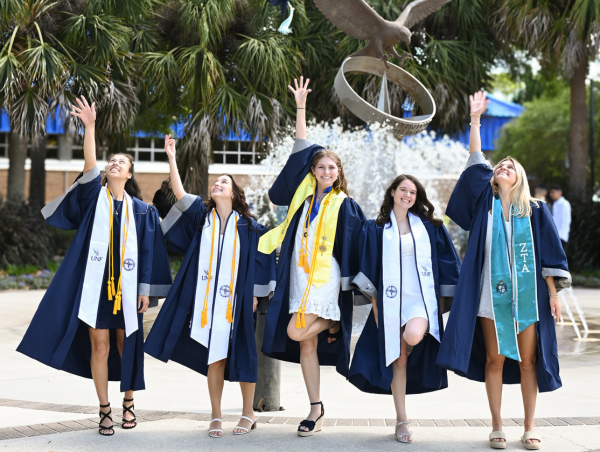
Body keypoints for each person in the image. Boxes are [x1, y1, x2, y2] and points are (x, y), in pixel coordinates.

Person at [17, 96, 172, 436]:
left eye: (121, 162)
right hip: (96, 289)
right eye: (111, 161)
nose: (114, 164)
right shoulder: (93, 201)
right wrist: (90, 126)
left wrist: (145, 290)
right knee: (100, 346)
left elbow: (148, 253)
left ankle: (128, 403)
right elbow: (89, 164)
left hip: (130, 291)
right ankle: (104, 410)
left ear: (130, 173)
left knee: (126, 345)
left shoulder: (143, 212)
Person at [437, 91, 572, 451]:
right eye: (500, 166)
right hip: (489, 295)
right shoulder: (486, 202)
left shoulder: (537, 210)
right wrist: (476, 119)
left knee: (529, 361)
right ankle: (496, 424)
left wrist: (554, 295)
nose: (503, 167)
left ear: (520, 176)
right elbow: (474, 158)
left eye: (510, 166)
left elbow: (549, 259)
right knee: (495, 359)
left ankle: (529, 426)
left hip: (527, 297)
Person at [144, 135, 276, 438]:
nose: (217, 185)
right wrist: (171, 157)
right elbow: (179, 192)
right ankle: (216, 415)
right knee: (214, 358)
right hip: (207, 303)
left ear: (234, 193)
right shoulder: (201, 219)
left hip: (238, 302)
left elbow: (261, 260)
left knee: (243, 355)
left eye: (223, 183)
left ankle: (248, 413)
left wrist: (256, 295)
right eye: (215, 182)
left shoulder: (250, 226)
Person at [258, 77, 366, 437]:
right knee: (305, 342)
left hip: (325, 277)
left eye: (332, 168)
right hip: (299, 277)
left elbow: (357, 243)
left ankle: (335, 324)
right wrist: (300, 107)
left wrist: (357, 282)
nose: (326, 172)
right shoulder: (302, 201)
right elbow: (300, 145)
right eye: (321, 167)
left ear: (339, 175)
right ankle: (315, 409)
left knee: (295, 329)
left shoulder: (345, 204)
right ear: (314, 172)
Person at [348, 174, 461, 443]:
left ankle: (408, 347)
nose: (407, 195)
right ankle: (402, 421)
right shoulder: (375, 229)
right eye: (403, 190)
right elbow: (370, 270)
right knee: (398, 361)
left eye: (412, 192)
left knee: (411, 337)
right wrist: (375, 305)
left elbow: (448, 262)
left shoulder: (429, 227)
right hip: (389, 302)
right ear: (392, 193)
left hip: (419, 300)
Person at [549, 185, 571, 251]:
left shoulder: (565, 204)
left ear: (559, 193)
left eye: (553, 192)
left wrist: (558, 236)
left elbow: (566, 221)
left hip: (560, 237)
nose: (551, 194)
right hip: (555, 236)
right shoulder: (555, 204)